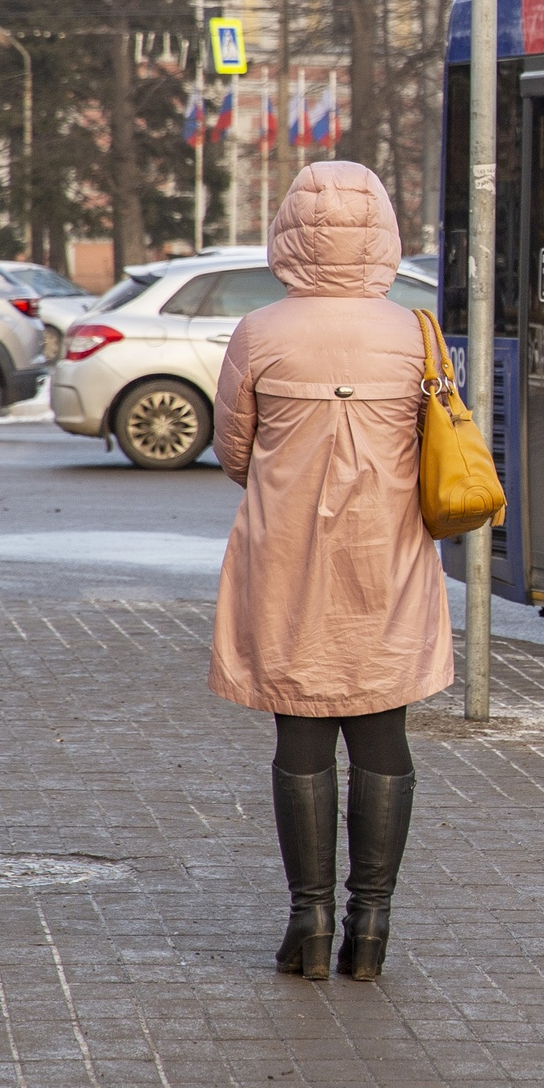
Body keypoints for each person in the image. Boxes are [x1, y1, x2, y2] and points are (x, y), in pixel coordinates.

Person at [208, 162, 451, 983]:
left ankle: (308, 920)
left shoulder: (259, 331)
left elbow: (234, 452)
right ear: (382, 232)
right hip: (386, 558)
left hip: (288, 559)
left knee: (302, 733)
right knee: (385, 734)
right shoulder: (413, 332)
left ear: (289, 231)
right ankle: (371, 928)